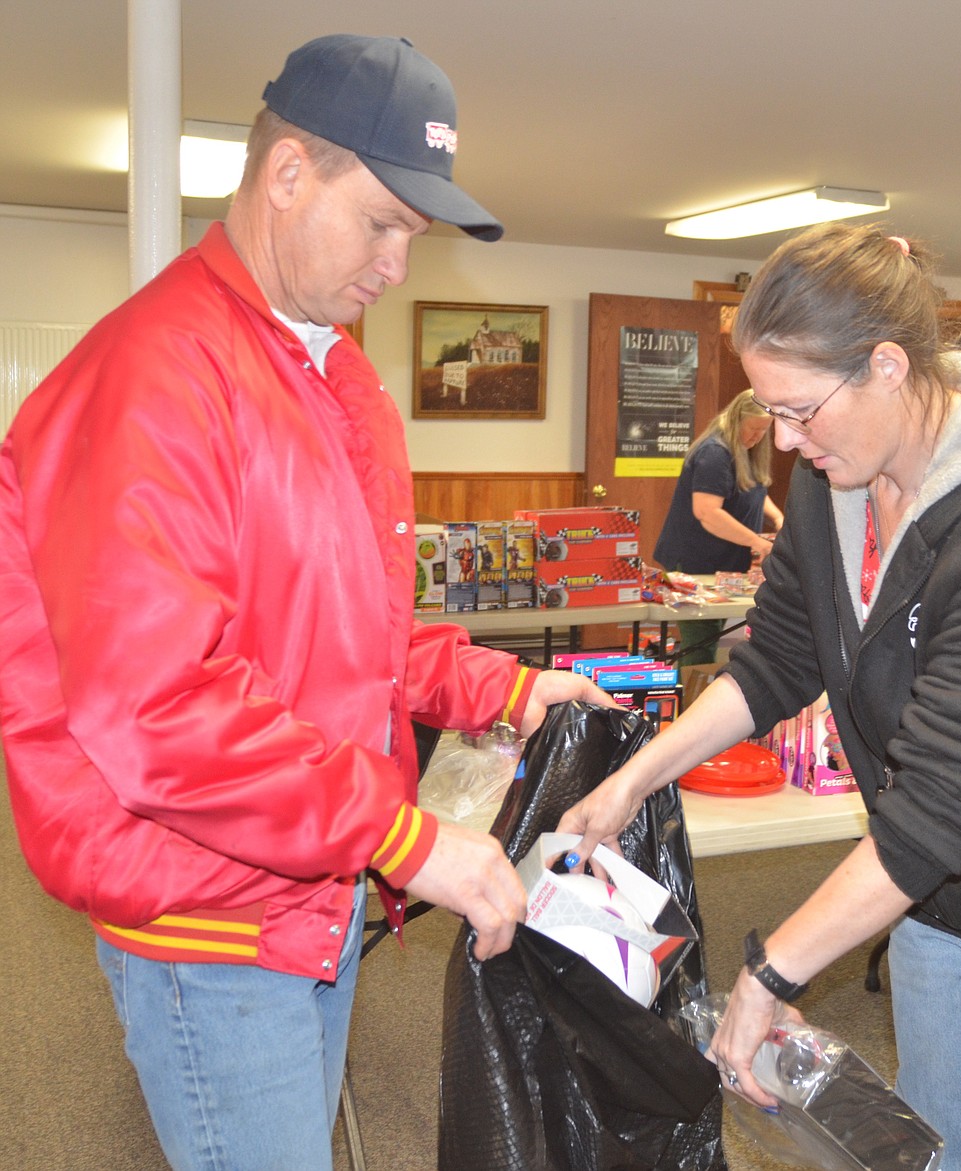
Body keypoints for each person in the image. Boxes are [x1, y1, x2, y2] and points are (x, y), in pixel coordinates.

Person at [0, 34, 609, 1171]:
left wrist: (512, 686)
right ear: (287, 175)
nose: (396, 261)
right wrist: (397, 833)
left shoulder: (334, 379)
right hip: (207, 914)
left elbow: (363, 631)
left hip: (312, 888)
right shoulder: (157, 376)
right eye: (380, 221)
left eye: (411, 237)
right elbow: (158, 707)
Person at [559, 222, 961, 1171]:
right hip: (941, 897)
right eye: (771, 412)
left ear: (889, 365)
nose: (789, 442)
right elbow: (776, 662)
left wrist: (770, 971)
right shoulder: (831, 483)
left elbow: (947, 802)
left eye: (801, 409)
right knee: (942, 1153)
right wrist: (638, 778)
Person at [653, 389, 783, 665]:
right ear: (737, 419)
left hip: (721, 562)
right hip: (695, 562)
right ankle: (690, 698)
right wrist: (757, 542)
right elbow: (707, 512)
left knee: (707, 639)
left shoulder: (744, 449)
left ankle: (694, 691)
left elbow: (754, 490)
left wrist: (778, 518)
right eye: (753, 429)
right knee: (700, 644)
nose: (757, 437)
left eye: (764, 432)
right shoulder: (714, 454)